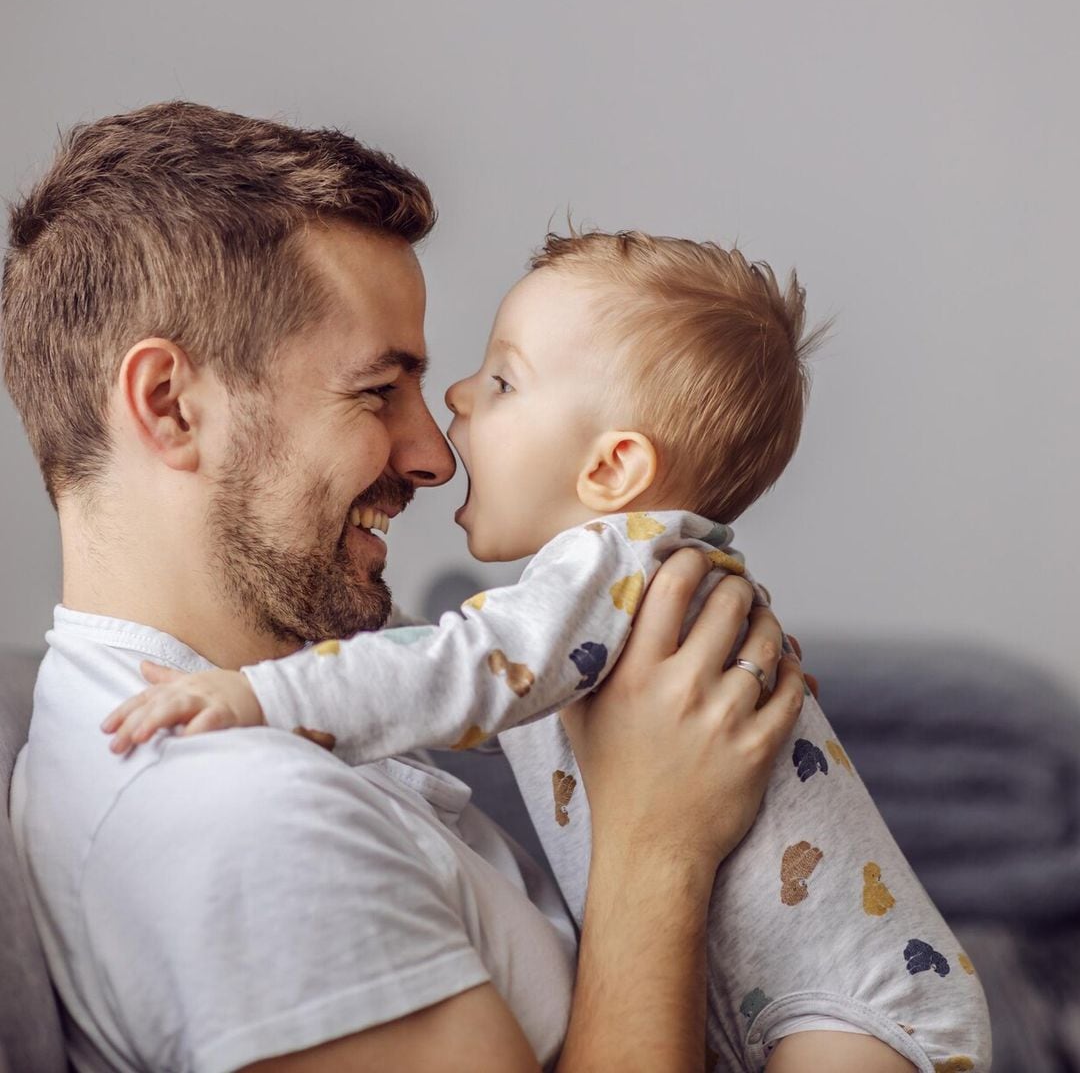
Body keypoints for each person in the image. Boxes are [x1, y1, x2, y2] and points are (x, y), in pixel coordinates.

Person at [3, 100, 811, 1073]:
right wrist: (658, 851)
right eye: (378, 391)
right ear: (171, 407)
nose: (436, 455)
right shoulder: (243, 829)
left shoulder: (262, 717)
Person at [103, 233, 992, 1073]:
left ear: (610, 471)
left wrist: (256, 696)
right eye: (381, 388)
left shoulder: (614, 561)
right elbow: (445, 674)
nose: (454, 401)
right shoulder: (609, 594)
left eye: (502, 382)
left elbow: (451, 675)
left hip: (862, 1004)